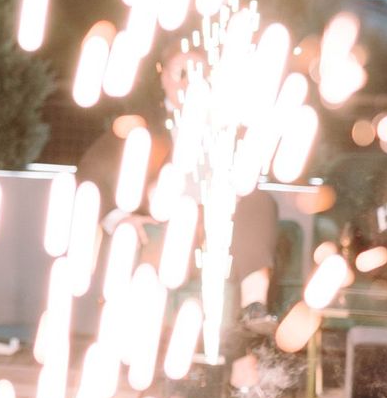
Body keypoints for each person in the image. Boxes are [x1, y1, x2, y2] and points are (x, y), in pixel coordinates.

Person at [77, 43, 281, 338]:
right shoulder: (142, 126)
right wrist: (118, 217)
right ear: (163, 78)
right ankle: (145, 336)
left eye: (198, 74)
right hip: (166, 225)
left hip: (219, 226)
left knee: (258, 200)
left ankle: (254, 306)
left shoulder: (227, 127)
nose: (189, 82)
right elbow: (90, 174)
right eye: (181, 73)